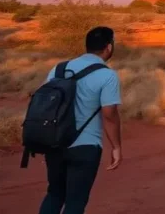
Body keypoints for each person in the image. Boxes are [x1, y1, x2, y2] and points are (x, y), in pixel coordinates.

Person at [38, 26, 123, 214]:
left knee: (54, 194)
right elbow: (109, 115)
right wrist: (116, 147)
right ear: (108, 47)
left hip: (55, 142)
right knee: (75, 201)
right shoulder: (107, 75)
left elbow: (44, 102)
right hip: (85, 146)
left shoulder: (58, 69)